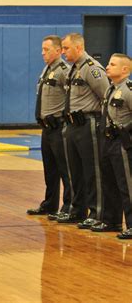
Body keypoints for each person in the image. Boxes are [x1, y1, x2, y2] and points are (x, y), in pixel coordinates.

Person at [57, 33, 110, 229]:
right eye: (62, 48)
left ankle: (96, 212)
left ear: (79, 48)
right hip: (72, 125)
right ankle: (77, 210)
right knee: (75, 170)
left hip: (88, 123)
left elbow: (106, 95)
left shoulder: (92, 69)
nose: (63, 52)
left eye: (66, 48)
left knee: (92, 170)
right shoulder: (73, 69)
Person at [26, 35, 72, 219]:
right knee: (50, 169)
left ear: (58, 50)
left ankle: (69, 206)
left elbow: (71, 98)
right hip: (47, 127)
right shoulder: (46, 69)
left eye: (46, 50)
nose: (42, 53)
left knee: (65, 169)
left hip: (59, 126)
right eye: (42, 49)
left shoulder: (64, 71)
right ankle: (50, 203)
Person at [90, 53, 132, 239]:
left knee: (126, 185)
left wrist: (125, 131)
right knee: (109, 182)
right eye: (108, 64)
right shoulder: (110, 89)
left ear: (125, 69)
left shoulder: (129, 90)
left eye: (112, 64)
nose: (107, 67)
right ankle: (111, 220)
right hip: (107, 141)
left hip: (121, 142)